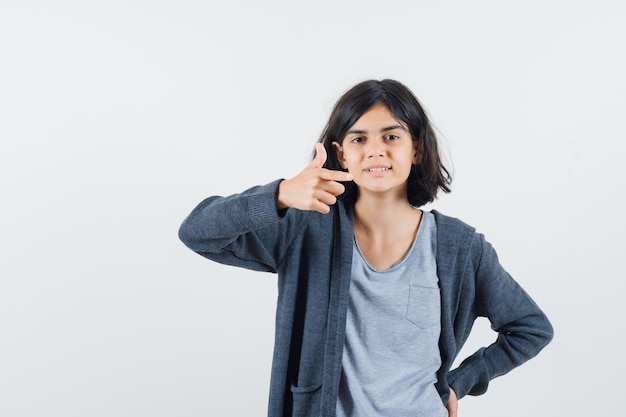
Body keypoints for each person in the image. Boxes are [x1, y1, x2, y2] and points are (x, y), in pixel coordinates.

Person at [178, 79, 553, 417]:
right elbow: (197, 231)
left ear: (416, 150)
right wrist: (278, 196)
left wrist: (461, 381)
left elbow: (530, 327)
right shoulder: (306, 228)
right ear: (341, 155)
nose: (375, 150)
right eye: (359, 139)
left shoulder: (459, 247)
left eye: (391, 137)